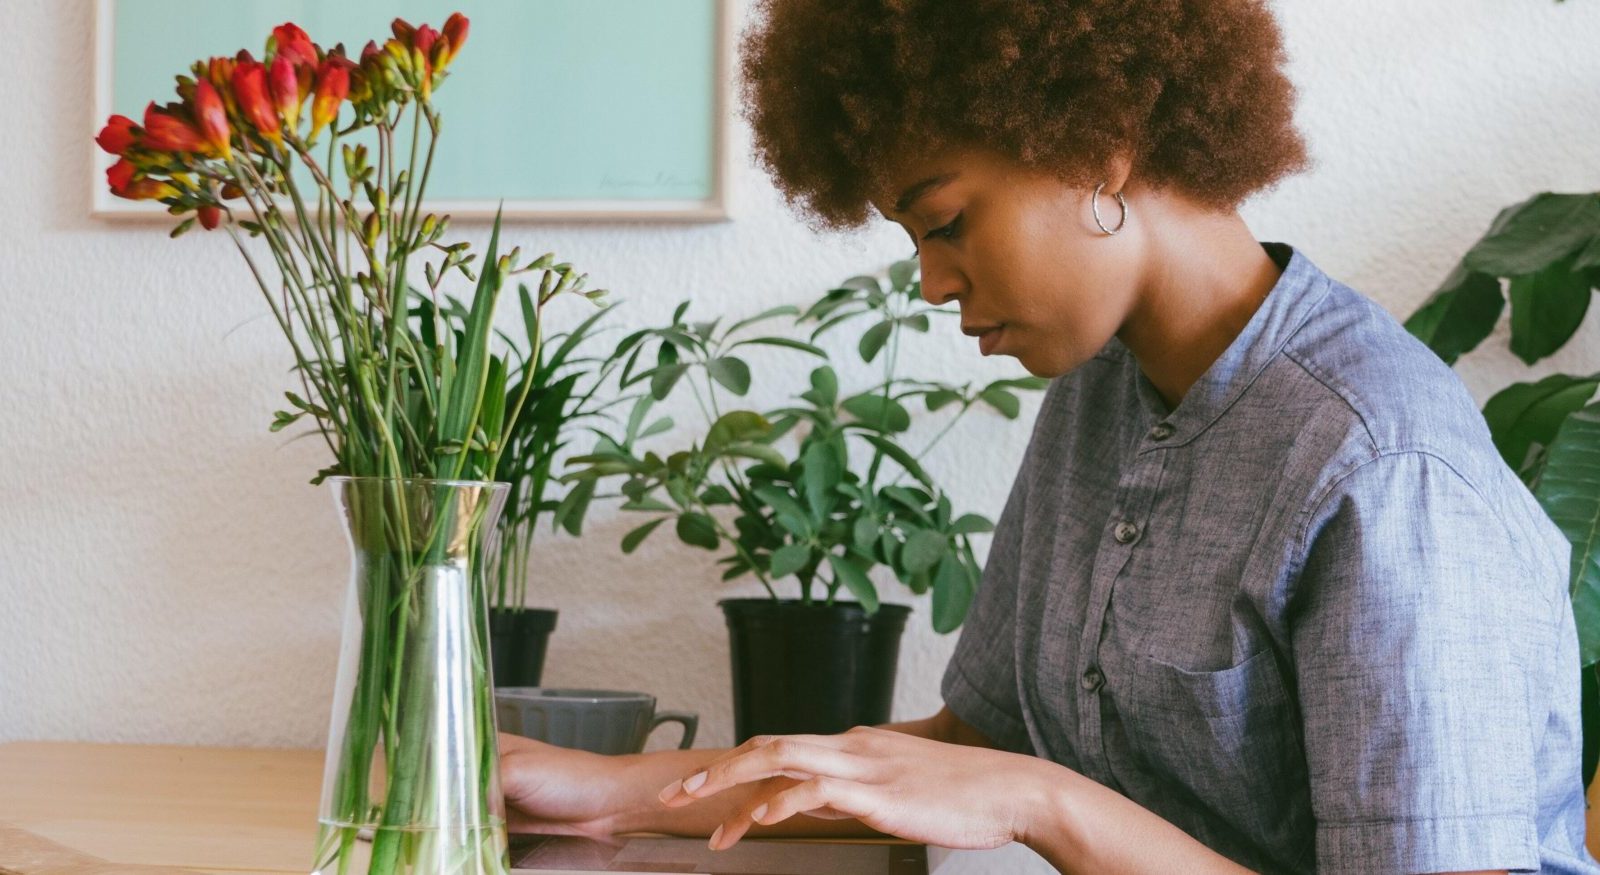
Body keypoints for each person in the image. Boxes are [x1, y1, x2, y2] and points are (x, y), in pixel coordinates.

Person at [498, 0, 1600, 871]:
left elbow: (1009, 780)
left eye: (945, 220)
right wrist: (606, 790)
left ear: (1098, 147)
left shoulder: (1379, 464)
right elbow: (966, 750)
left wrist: (1046, 800)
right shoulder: (1104, 394)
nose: (929, 281)